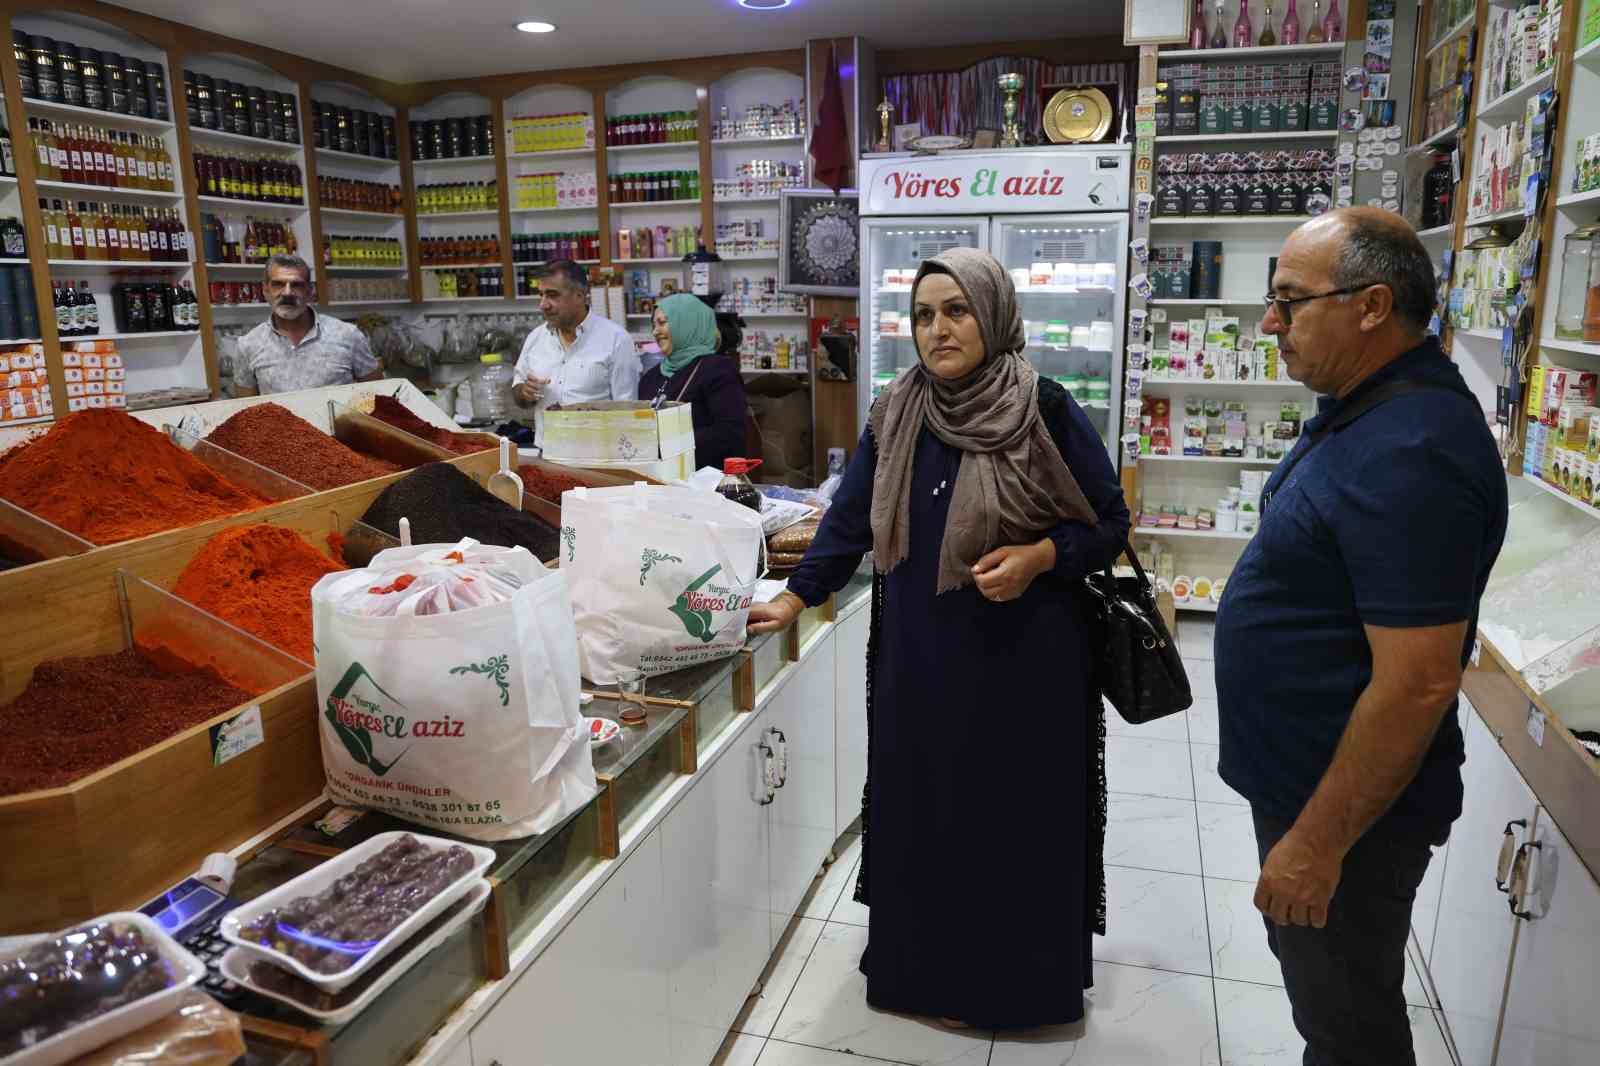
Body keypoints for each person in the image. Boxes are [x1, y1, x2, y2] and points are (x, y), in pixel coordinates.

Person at [747, 247, 1129, 1028]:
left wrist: (1040, 557)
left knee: (1011, 821)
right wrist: (796, 597)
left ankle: (1016, 988)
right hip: (921, 657)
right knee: (925, 811)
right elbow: (851, 517)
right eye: (923, 315)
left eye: (956, 311)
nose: (938, 329)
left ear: (992, 315)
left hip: (1027, 657)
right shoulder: (897, 411)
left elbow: (1110, 523)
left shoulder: (1044, 407)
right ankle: (921, 978)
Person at [1214, 208, 1508, 1066]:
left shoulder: (1412, 447)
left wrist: (1316, 844)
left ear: (1374, 305)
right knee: (1332, 1002)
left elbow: (1418, 682)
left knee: (1348, 1022)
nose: (1270, 323)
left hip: (1344, 812)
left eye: (1290, 302)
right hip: (1314, 784)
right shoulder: (1366, 409)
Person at [512, 260, 640, 445]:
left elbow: (627, 411)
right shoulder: (536, 338)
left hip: (597, 457)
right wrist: (525, 392)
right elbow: (518, 392)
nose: (543, 305)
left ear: (580, 295)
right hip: (547, 454)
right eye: (541, 295)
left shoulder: (616, 340)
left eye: (552, 295)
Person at [234, 254, 383, 396]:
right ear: (265, 290)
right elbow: (246, 409)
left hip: (338, 423)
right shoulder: (248, 345)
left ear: (310, 291)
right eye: (278, 284)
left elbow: (378, 394)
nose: (287, 293)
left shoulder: (348, 335)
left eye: (297, 285)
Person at [637, 293, 748, 474]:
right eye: (654, 324)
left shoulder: (717, 370)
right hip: (658, 480)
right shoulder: (650, 378)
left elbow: (729, 434)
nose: (655, 331)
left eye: (663, 323)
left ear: (687, 324)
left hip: (706, 483)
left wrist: (670, 444)